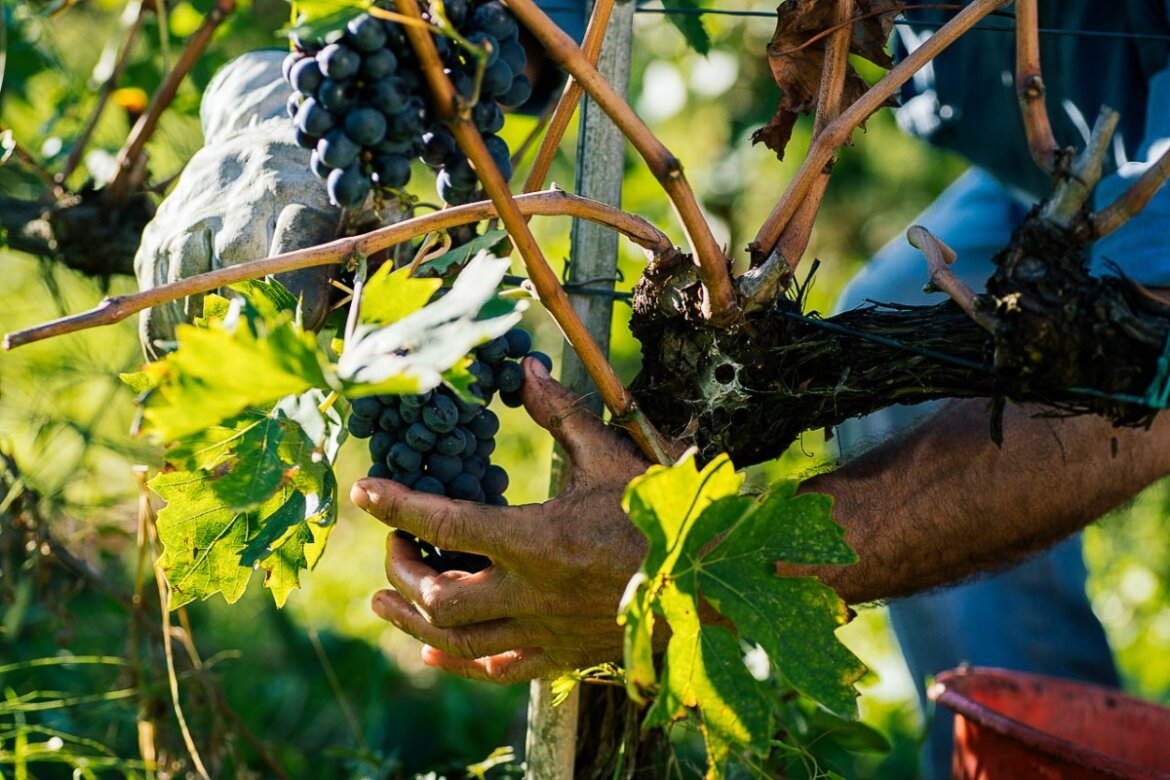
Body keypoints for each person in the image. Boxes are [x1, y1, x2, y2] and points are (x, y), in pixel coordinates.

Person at [356, 2, 1170, 771]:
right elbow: (530, 25)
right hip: (1076, 149)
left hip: (1140, 162)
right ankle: (1044, 745)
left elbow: (1153, 387)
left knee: (1092, 370)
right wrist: (375, 79)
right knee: (902, 371)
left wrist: (708, 561)